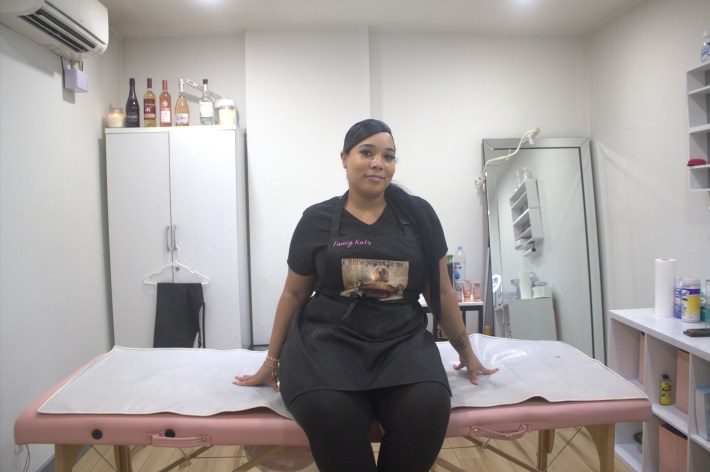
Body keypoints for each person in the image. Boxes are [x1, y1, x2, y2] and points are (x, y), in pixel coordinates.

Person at [235, 118, 497, 472]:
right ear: (344, 158)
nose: (378, 163)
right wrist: (270, 363)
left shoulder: (419, 215)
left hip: (400, 344)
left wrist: (466, 351)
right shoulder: (316, 220)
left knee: (428, 407)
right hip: (325, 346)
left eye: (388, 156)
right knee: (330, 412)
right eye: (367, 152)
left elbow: (441, 293)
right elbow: (293, 294)